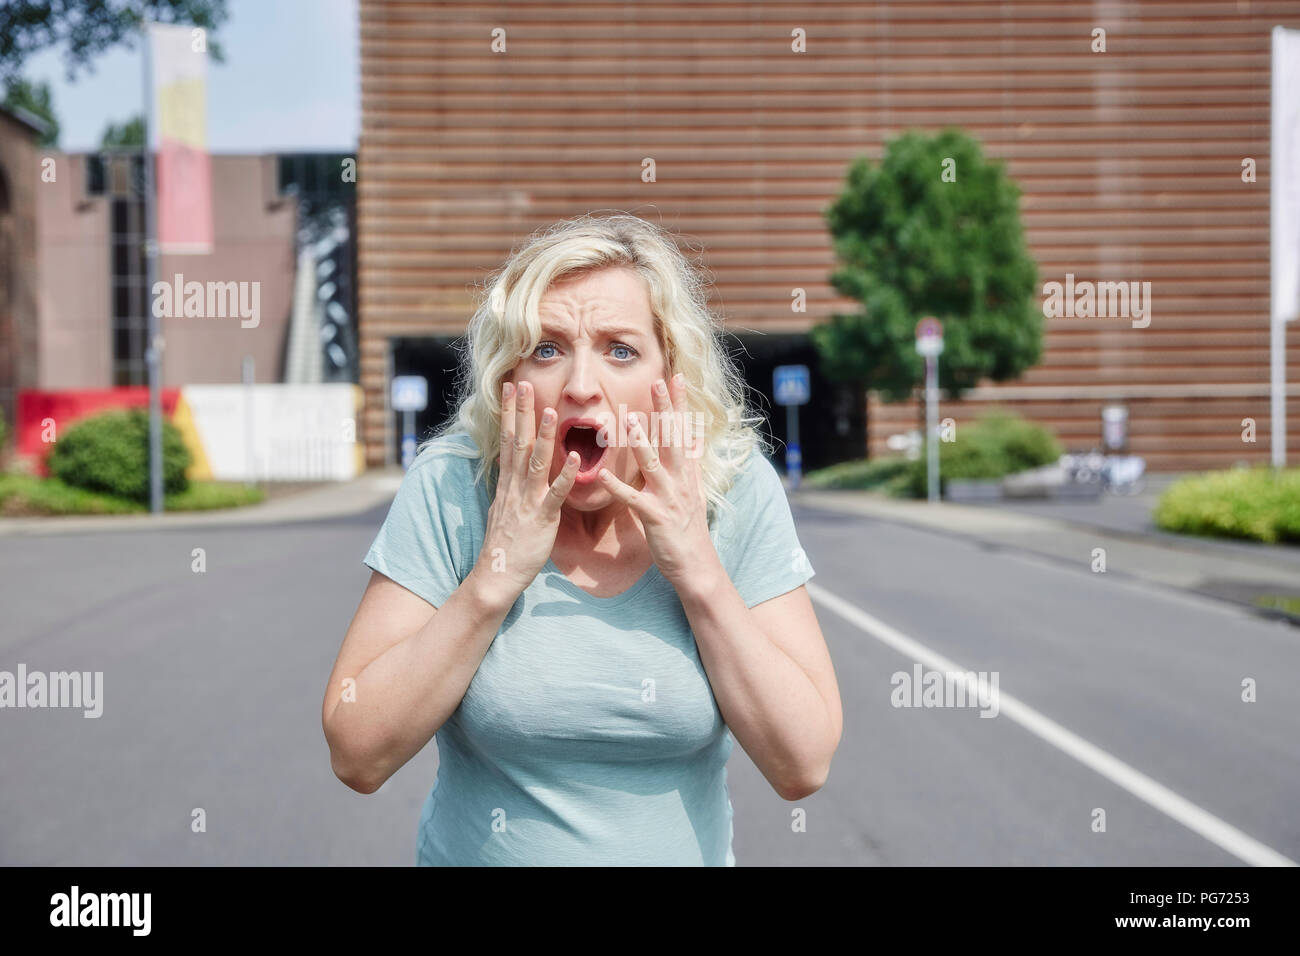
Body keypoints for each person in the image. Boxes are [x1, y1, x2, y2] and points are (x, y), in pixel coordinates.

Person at [322, 212, 842, 866]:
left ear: (668, 379)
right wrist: (492, 581)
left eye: (620, 349)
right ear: (509, 377)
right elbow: (356, 751)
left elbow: (803, 764)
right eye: (546, 348)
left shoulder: (732, 488)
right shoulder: (454, 485)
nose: (580, 386)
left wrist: (699, 574)